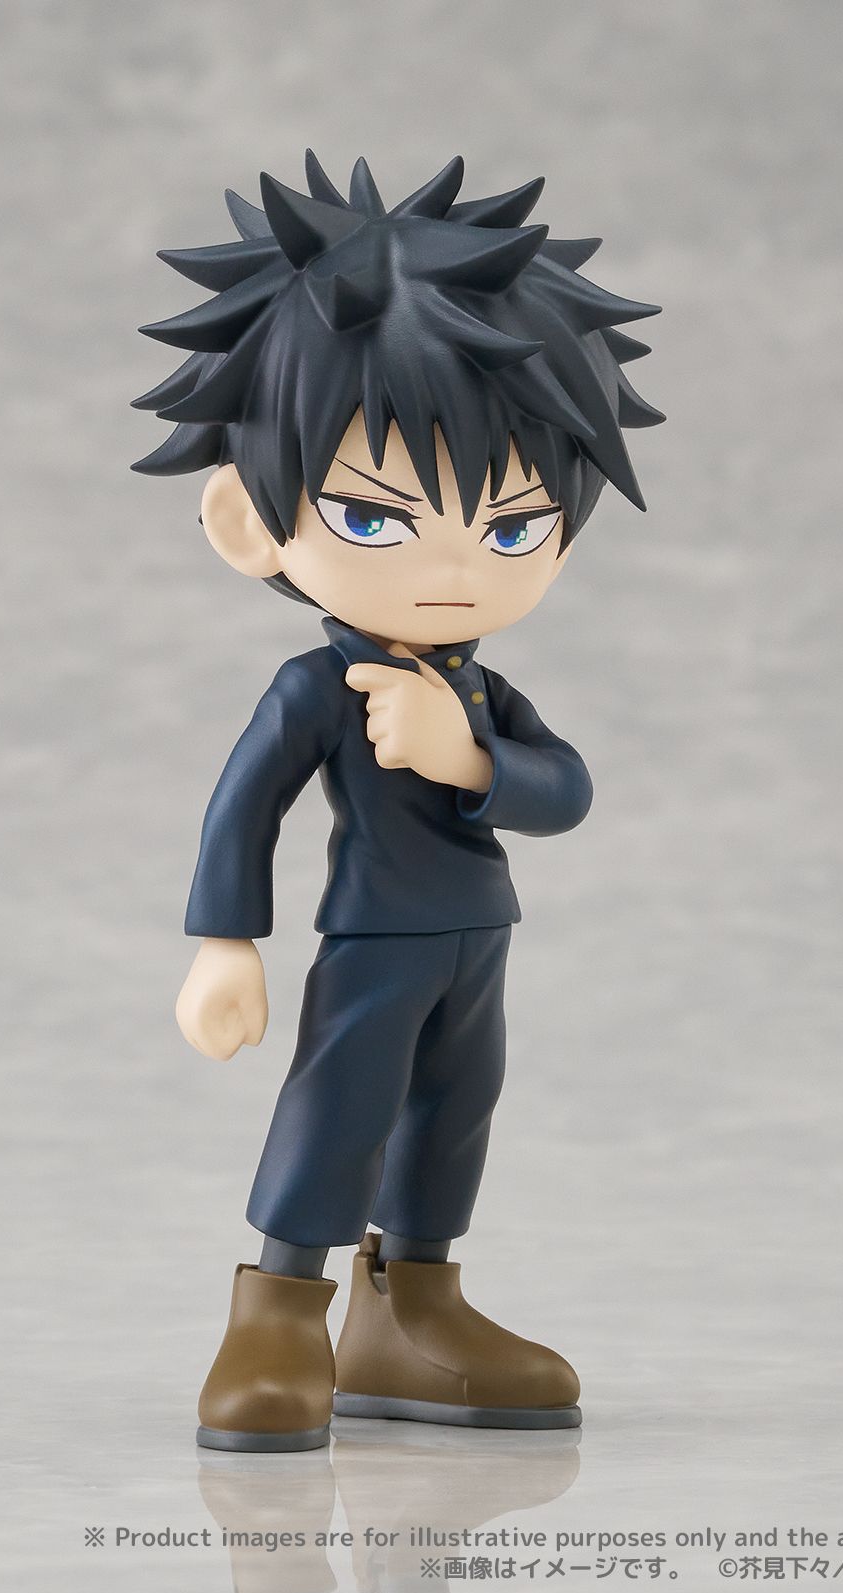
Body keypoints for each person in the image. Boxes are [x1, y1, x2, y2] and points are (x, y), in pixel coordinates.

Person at [133, 151, 663, 1451]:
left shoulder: (478, 692)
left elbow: (565, 790)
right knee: (341, 1105)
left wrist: (469, 759)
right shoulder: (317, 688)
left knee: (455, 1111)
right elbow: (242, 809)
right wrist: (224, 945)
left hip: (477, 937)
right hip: (374, 939)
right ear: (246, 524)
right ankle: (277, 1313)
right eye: (376, 520)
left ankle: (413, 1307)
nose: (453, 568)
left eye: (512, 526)